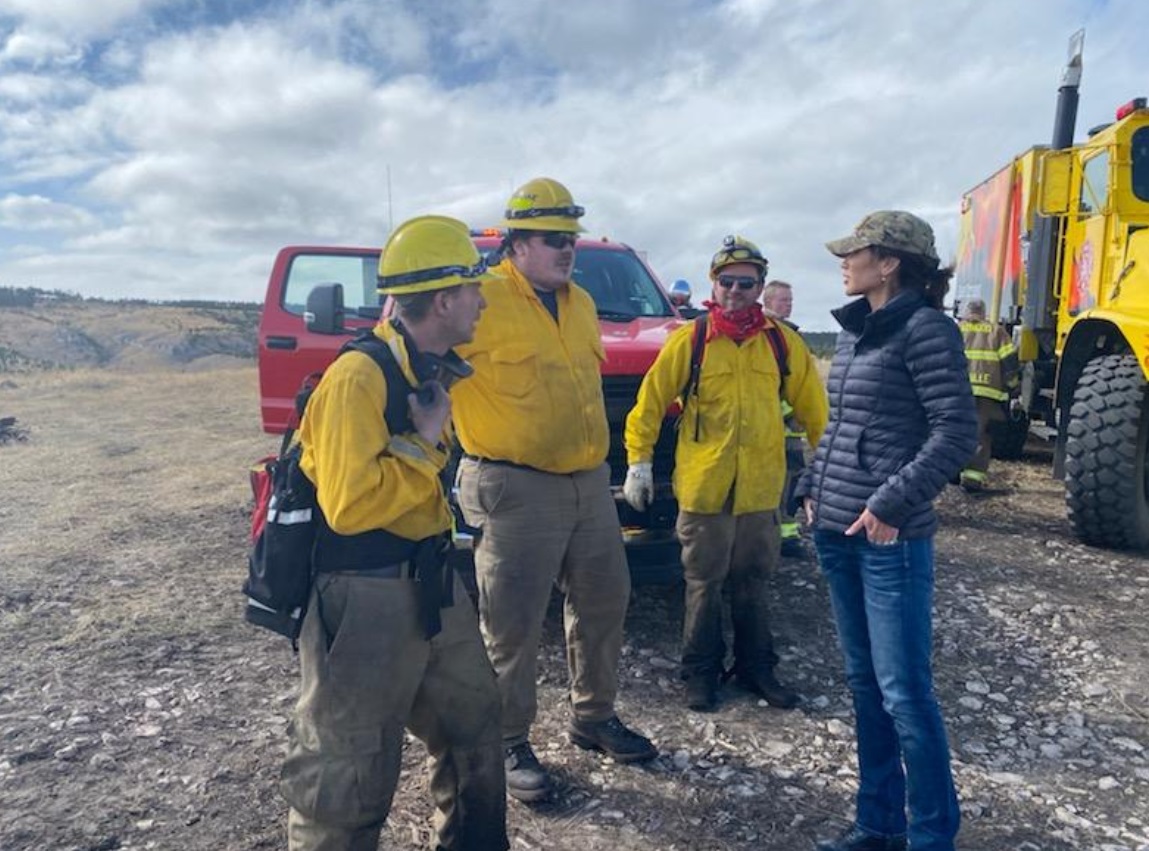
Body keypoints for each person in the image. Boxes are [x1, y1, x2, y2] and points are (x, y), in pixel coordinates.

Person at [280, 215, 508, 851]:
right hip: (363, 595)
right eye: (473, 289)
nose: (483, 302)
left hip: (429, 581)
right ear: (443, 300)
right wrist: (425, 442)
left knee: (474, 726)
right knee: (348, 772)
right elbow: (351, 506)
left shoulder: (428, 367)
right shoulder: (358, 377)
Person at [452, 177, 657, 804]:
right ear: (516, 243)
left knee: (604, 599)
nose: (567, 248)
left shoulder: (582, 302)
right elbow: (415, 357)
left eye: (570, 236)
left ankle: (592, 719)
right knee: (510, 625)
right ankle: (508, 739)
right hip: (513, 487)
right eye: (552, 238)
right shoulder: (477, 300)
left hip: (589, 482)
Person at [799, 211, 977, 851]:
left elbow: (957, 434)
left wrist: (892, 504)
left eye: (855, 252)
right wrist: (810, 488)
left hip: (888, 540)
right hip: (838, 529)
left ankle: (931, 837)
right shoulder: (854, 334)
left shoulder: (927, 331)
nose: (844, 262)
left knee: (905, 694)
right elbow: (839, 426)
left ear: (890, 261)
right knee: (865, 686)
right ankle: (877, 824)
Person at [623, 236, 828, 712]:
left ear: (759, 287)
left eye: (746, 282)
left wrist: (828, 470)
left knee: (754, 580)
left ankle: (758, 669)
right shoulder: (690, 341)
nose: (735, 290)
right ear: (712, 285)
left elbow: (816, 412)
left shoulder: (781, 343)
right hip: (705, 489)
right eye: (727, 282)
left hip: (759, 490)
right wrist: (639, 461)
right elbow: (649, 405)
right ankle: (700, 673)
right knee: (703, 582)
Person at [761, 279, 809, 558]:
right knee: (774, 484)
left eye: (790, 300)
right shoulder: (769, 336)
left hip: (789, 431)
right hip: (776, 427)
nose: (788, 305)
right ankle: (778, 538)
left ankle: (786, 535)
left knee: (790, 484)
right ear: (768, 302)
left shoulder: (790, 335)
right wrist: (792, 415)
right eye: (783, 300)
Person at [957, 298, 1019, 491]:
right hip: (988, 393)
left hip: (959, 391)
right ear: (983, 313)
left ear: (967, 312)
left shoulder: (957, 329)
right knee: (981, 435)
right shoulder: (997, 331)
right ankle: (973, 478)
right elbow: (1010, 362)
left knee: (953, 431)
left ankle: (950, 472)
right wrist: (1012, 386)